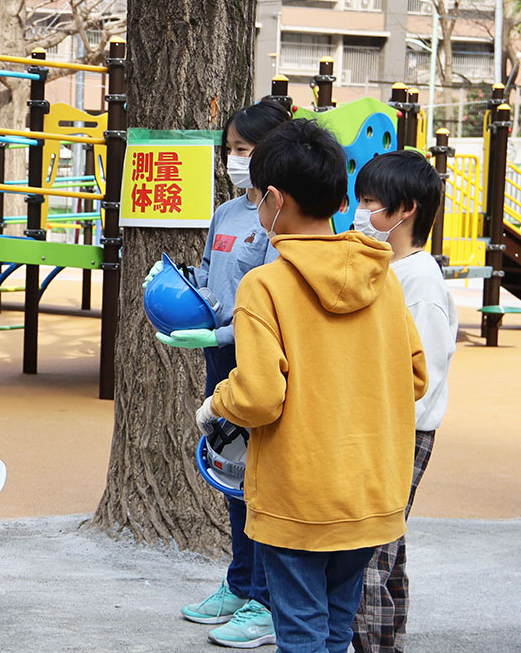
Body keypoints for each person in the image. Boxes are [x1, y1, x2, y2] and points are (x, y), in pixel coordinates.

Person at [196, 119, 428, 653]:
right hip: (372, 491)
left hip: (298, 496)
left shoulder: (267, 284)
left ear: (275, 200)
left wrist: (215, 405)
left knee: (299, 632)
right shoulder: (383, 277)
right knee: (333, 629)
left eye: (258, 197)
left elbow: (257, 395)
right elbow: (415, 376)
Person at [148, 98, 290, 648]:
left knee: (262, 481)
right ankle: (240, 582)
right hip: (220, 361)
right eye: (231, 149)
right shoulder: (229, 212)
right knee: (228, 474)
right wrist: (183, 302)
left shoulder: (281, 221)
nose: (237, 160)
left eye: (247, 150)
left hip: (260, 360)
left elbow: (277, 309)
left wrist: (225, 333)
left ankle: (268, 600)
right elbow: (209, 276)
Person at [350, 151, 458, 652]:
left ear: (406, 210)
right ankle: (387, 640)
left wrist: (375, 432)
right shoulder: (388, 269)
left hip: (398, 435)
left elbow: (423, 383)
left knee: (367, 554)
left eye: (370, 203)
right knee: (386, 551)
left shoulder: (420, 285)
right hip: (379, 431)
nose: (360, 213)